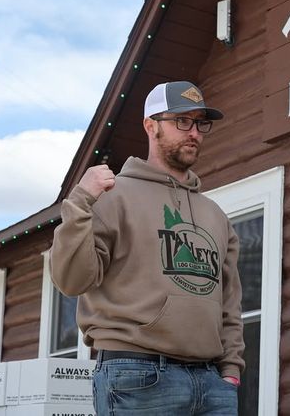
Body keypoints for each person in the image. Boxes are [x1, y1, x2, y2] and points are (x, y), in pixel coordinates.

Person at [50, 81, 244, 416]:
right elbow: (71, 280)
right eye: (182, 121)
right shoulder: (113, 195)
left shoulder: (216, 215)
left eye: (201, 123)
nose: (194, 133)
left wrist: (230, 370)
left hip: (212, 384)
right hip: (137, 375)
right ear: (150, 125)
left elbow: (229, 302)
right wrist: (80, 201)